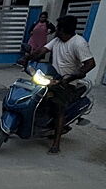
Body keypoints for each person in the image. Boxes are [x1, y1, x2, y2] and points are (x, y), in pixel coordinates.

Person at [29, 15, 96, 154]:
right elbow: (42, 51)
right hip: (51, 77)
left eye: (58, 28)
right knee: (32, 95)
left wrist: (75, 75)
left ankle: (56, 144)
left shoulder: (79, 43)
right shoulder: (57, 40)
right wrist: (27, 57)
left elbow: (90, 63)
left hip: (67, 82)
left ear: (64, 30)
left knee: (58, 108)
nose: (56, 30)